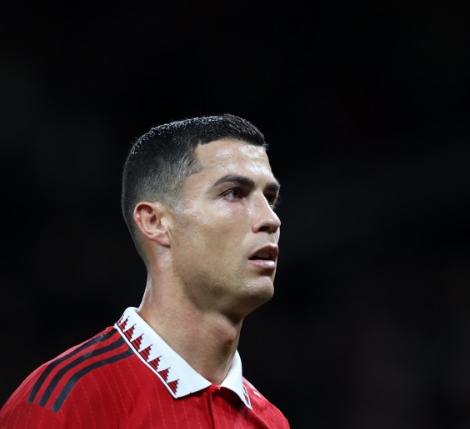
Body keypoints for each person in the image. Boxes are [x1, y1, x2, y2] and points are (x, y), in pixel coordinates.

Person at [0, 114, 290, 428]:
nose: (271, 219)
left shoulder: (272, 421)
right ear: (155, 222)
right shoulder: (65, 403)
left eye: (269, 198)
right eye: (233, 193)